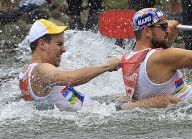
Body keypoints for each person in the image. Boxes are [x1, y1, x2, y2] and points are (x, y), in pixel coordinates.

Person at [19, 18, 177, 110]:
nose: (64, 49)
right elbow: (70, 79)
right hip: (106, 115)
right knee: (167, 100)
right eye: (59, 44)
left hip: (101, 112)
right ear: (41, 44)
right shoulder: (41, 69)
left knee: (137, 97)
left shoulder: (27, 72)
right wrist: (107, 67)